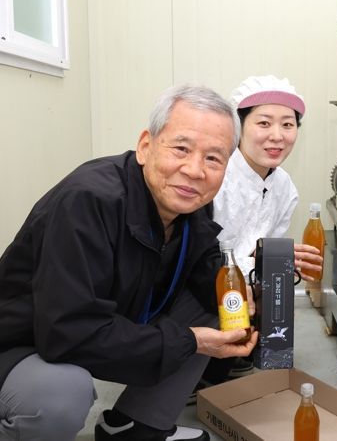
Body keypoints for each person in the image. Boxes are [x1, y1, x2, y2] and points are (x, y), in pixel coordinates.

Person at [0, 84, 259, 441]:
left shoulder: (190, 200)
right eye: (181, 148)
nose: (194, 170)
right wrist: (188, 341)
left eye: (213, 158)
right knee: (60, 394)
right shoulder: (88, 201)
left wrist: (248, 294)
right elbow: (67, 333)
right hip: (22, 343)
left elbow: (206, 267)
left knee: (222, 298)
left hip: (103, 322)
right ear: (145, 146)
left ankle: (138, 426)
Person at [199, 75, 323, 387]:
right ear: (238, 126)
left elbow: (267, 252)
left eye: (288, 125)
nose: (277, 136)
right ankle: (198, 367)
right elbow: (198, 257)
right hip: (203, 283)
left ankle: (238, 353)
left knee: (275, 287)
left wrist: (278, 263)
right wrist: (248, 273)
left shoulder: (284, 187)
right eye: (264, 123)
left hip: (246, 283)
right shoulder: (216, 177)